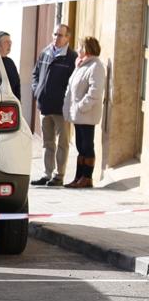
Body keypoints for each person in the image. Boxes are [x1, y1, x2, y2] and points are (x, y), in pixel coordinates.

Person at [30, 24, 77, 186]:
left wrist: (65, 101)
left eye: (60, 35)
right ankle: (46, 173)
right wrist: (37, 91)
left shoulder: (72, 57)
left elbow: (73, 84)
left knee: (62, 143)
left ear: (67, 38)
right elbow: (35, 74)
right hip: (44, 106)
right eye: (55, 34)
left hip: (61, 109)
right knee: (47, 142)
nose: (57, 38)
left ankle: (59, 175)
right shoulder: (45, 52)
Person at [63, 36, 106, 189]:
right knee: (80, 146)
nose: (78, 50)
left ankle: (87, 178)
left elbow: (95, 92)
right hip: (78, 114)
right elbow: (71, 88)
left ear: (87, 49)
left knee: (87, 146)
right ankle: (78, 177)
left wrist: (81, 107)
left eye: (80, 47)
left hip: (86, 114)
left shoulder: (96, 66)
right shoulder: (80, 65)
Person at [0, 31, 21, 100]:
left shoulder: (10, 62)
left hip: (10, 102)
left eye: (10, 42)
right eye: (6, 42)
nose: (10, 44)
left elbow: (17, 85)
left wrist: (18, 102)